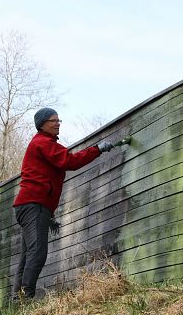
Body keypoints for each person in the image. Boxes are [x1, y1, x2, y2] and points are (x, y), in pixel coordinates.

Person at [11, 107, 116, 301]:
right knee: (38, 253)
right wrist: (97, 149)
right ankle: (25, 297)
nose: (58, 123)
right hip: (34, 205)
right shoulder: (43, 143)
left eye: (59, 120)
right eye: (53, 120)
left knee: (28, 255)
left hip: (31, 206)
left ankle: (18, 298)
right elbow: (70, 161)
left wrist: (48, 214)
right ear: (42, 124)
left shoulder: (43, 144)